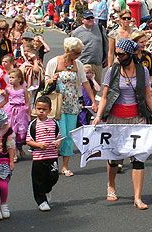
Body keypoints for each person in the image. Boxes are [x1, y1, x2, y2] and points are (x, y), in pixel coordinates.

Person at [92, 38, 152, 209]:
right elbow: (104, 97)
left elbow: (148, 96)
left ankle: (137, 198)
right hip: (116, 119)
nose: (118, 57)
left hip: (137, 118)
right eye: (116, 53)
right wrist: (98, 116)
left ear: (130, 54)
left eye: (121, 54)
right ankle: (111, 185)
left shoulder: (143, 71)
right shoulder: (113, 70)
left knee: (138, 157)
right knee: (115, 157)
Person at [45, 37, 98, 177]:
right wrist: (52, 80)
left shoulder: (78, 64)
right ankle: (53, 163)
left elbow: (85, 83)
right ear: (68, 51)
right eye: (77, 53)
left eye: (80, 53)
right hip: (57, 103)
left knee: (68, 136)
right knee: (59, 135)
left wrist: (93, 101)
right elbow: (45, 82)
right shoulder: (54, 62)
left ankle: (65, 166)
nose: (79, 55)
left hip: (72, 102)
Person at [26, 96, 62, 211]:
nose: (41, 111)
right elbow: (28, 140)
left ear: (49, 110)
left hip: (52, 156)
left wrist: (58, 143)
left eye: (44, 109)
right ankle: (41, 201)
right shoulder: (33, 124)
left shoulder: (54, 123)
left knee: (54, 177)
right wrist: (39, 145)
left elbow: (59, 137)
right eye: (38, 108)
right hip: (39, 157)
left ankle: (47, 190)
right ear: (35, 109)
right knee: (38, 180)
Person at [0, 68, 30, 162]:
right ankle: (14, 153)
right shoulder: (8, 89)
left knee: (21, 133)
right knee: (12, 131)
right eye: (10, 77)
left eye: (13, 77)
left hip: (21, 112)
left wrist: (29, 115)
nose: (10, 79)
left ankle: (20, 147)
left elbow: (27, 102)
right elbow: (6, 100)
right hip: (11, 111)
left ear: (19, 79)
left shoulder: (23, 90)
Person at [72, 10, 109, 84]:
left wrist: (106, 58)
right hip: (83, 63)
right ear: (82, 20)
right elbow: (72, 49)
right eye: (88, 18)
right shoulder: (76, 32)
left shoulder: (99, 28)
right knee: (84, 87)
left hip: (97, 63)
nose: (91, 20)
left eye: (92, 17)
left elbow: (106, 43)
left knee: (96, 86)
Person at [130, 31, 152, 100]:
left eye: (145, 41)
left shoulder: (148, 55)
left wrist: (149, 84)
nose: (144, 44)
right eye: (141, 42)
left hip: (146, 88)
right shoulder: (129, 55)